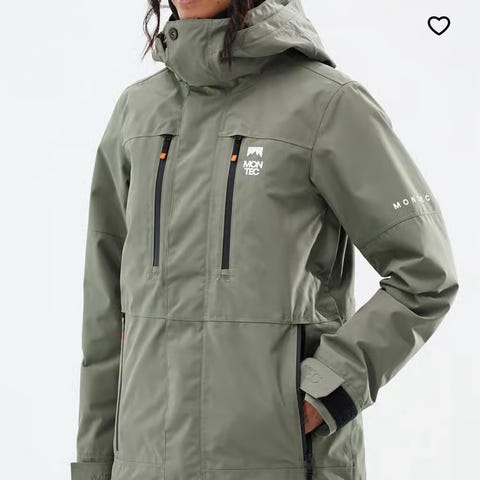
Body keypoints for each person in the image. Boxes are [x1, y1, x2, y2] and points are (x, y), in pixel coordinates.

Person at [70, 1, 459, 479]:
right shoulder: (137, 113)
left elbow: (425, 274)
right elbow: (105, 312)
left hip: (280, 461)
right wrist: (93, 466)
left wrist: (332, 387)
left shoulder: (326, 105)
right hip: (144, 466)